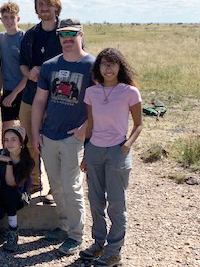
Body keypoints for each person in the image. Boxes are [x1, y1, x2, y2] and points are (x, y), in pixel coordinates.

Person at [31, 18, 96, 256]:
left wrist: (85, 128)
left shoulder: (92, 65)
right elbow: (39, 101)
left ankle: (76, 236)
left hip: (73, 137)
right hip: (49, 135)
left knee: (72, 187)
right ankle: (65, 223)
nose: (67, 39)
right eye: (63, 34)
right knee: (56, 186)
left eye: (72, 34)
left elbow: (102, 102)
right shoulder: (49, 66)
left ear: (81, 35)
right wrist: (35, 132)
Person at [79, 48, 143, 267]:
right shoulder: (92, 92)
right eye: (104, 64)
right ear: (98, 67)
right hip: (94, 150)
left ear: (119, 67)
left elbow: (139, 124)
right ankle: (99, 244)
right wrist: (86, 153)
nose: (108, 68)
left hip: (117, 150)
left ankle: (114, 251)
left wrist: (125, 147)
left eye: (112, 64)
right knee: (95, 202)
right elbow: (90, 125)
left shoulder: (129, 92)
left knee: (116, 204)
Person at [18, 0, 64, 197]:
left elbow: (75, 61)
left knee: (55, 144)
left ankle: (56, 188)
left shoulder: (66, 33)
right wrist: (30, 74)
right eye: (40, 5)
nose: (44, 9)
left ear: (56, 6)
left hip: (58, 99)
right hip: (30, 96)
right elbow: (23, 65)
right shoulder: (31, 35)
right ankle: (34, 183)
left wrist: (44, 71)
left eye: (48, 4)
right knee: (29, 142)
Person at [0, 125, 35, 252]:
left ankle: (13, 232)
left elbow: (13, 184)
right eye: (6, 140)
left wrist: (9, 162)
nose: (9, 143)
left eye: (13, 139)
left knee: (9, 192)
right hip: (0, 192)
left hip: (18, 195)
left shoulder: (28, 161)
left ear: (22, 142)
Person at [0, 2, 27, 133]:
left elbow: (29, 71)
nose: (9, 21)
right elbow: (0, 67)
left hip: (25, 89)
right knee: (6, 129)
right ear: (1, 19)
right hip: (8, 89)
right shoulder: (0, 39)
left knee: (26, 128)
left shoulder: (24, 38)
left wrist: (15, 93)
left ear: (18, 18)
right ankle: (7, 154)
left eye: (12, 17)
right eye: (5, 17)